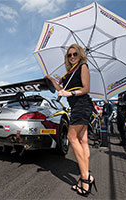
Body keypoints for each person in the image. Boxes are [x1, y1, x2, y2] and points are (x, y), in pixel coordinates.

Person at [46, 44, 97, 197]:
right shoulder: (70, 72)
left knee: (71, 137)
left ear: (80, 54)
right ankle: (87, 176)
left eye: (75, 54)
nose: (72, 57)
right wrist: (50, 79)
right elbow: (60, 88)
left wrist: (70, 94)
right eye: (69, 55)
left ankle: (85, 180)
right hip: (76, 107)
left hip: (82, 105)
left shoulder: (83, 67)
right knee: (83, 141)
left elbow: (86, 88)